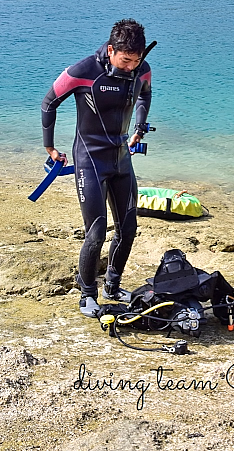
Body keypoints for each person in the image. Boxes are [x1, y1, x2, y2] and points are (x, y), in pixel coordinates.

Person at [41, 19, 152, 317]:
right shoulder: (84, 71)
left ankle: (112, 287)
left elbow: (145, 94)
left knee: (128, 229)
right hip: (90, 161)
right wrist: (49, 146)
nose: (131, 67)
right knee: (96, 232)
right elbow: (49, 102)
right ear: (112, 49)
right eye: (125, 60)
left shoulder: (141, 68)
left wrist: (139, 127)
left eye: (136, 60)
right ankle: (87, 295)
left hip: (121, 159)